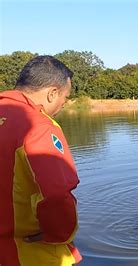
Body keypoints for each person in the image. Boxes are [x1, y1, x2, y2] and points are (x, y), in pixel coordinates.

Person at [0, 56, 82, 265]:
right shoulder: (38, 125)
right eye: (65, 98)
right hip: (26, 253)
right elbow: (56, 194)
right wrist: (58, 234)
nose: (63, 104)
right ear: (52, 93)